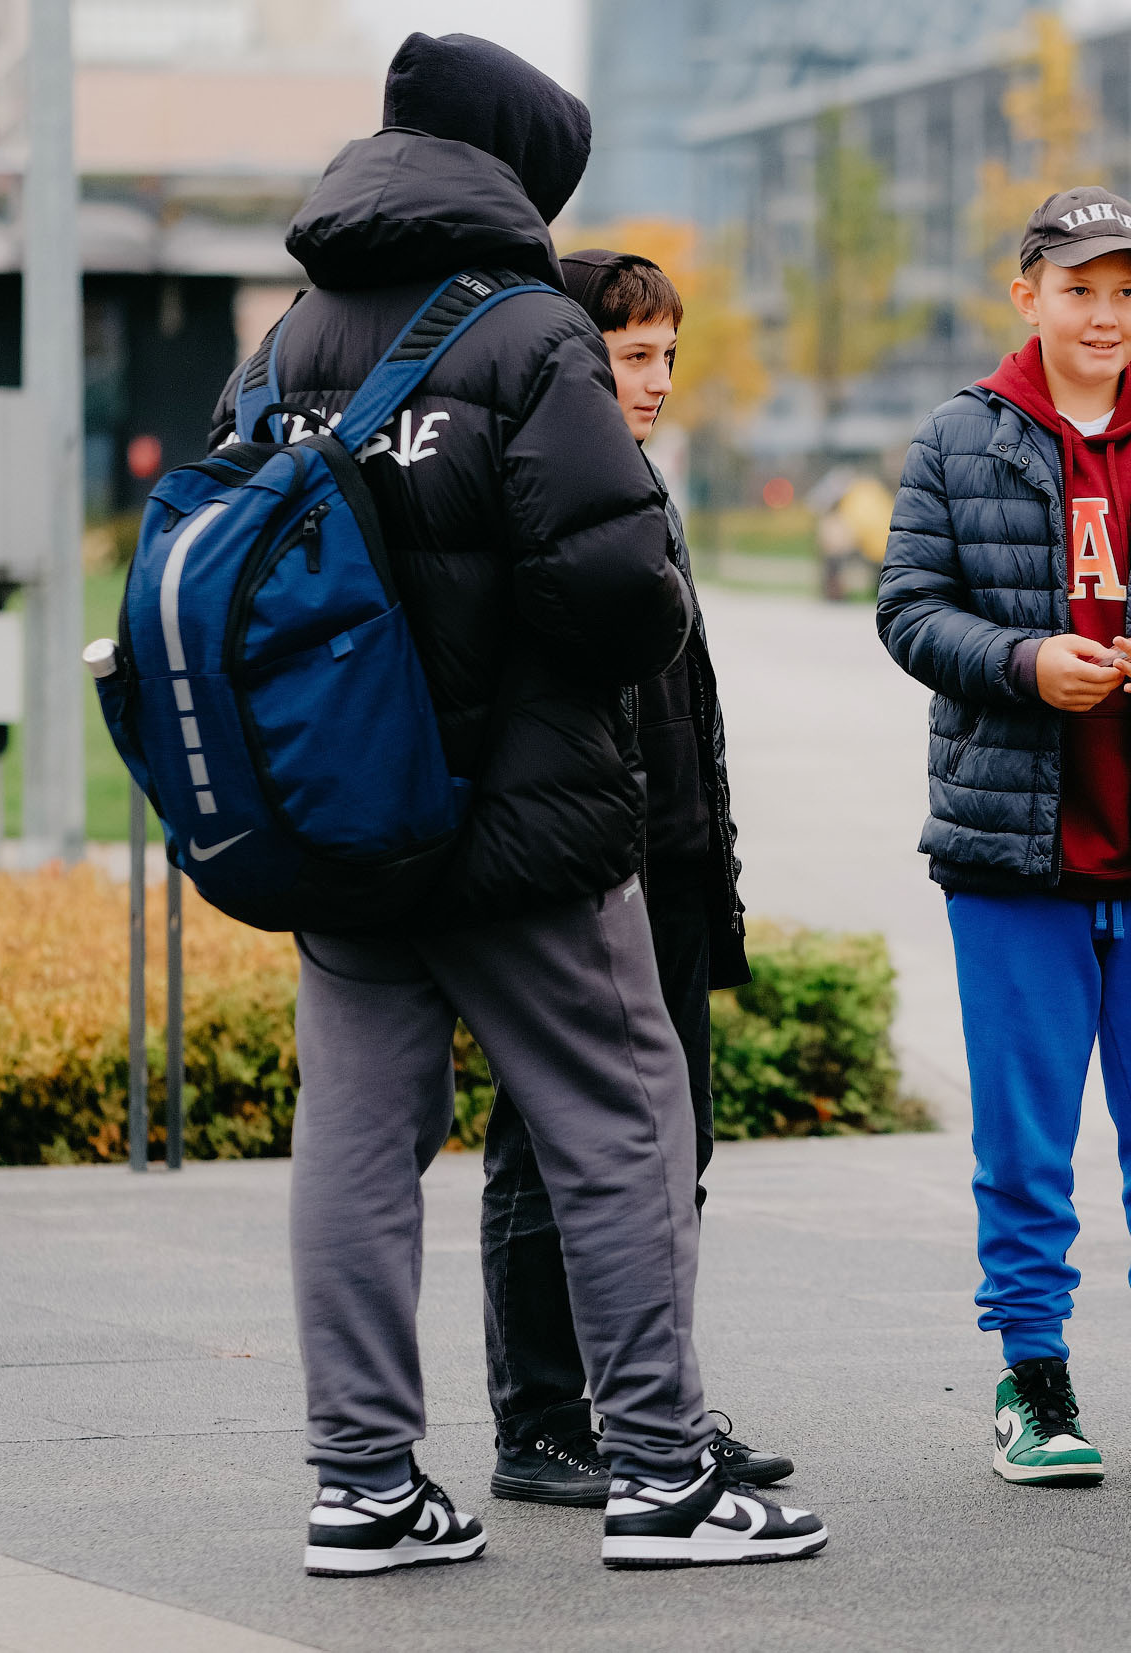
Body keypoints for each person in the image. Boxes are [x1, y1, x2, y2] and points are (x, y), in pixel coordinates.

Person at [237, 32, 825, 1573]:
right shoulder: (522, 332)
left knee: (358, 1142)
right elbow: (631, 589)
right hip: (522, 829)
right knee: (624, 1118)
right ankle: (664, 1477)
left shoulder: (288, 339)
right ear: (514, 174)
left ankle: (363, 1485)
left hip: (343, 819)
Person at [877, 186, 1131, 1488]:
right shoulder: (958, 439)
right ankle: (1032, 1375)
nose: (1104, 312)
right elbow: (911, 610)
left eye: (1127, 289)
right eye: (1079, 287)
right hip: (1012, 853)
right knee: (1026, 1138)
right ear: (1026, 294)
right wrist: (1024, 658)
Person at [478, 248, 792, 1510]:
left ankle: (652, 1412)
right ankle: (544, 1420)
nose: (657, 382)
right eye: (633, 358)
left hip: (665, 859)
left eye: (668, 355)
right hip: (581, 862)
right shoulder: (538, 485)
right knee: (548, 1147)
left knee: (674, 1146)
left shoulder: (635, 484)